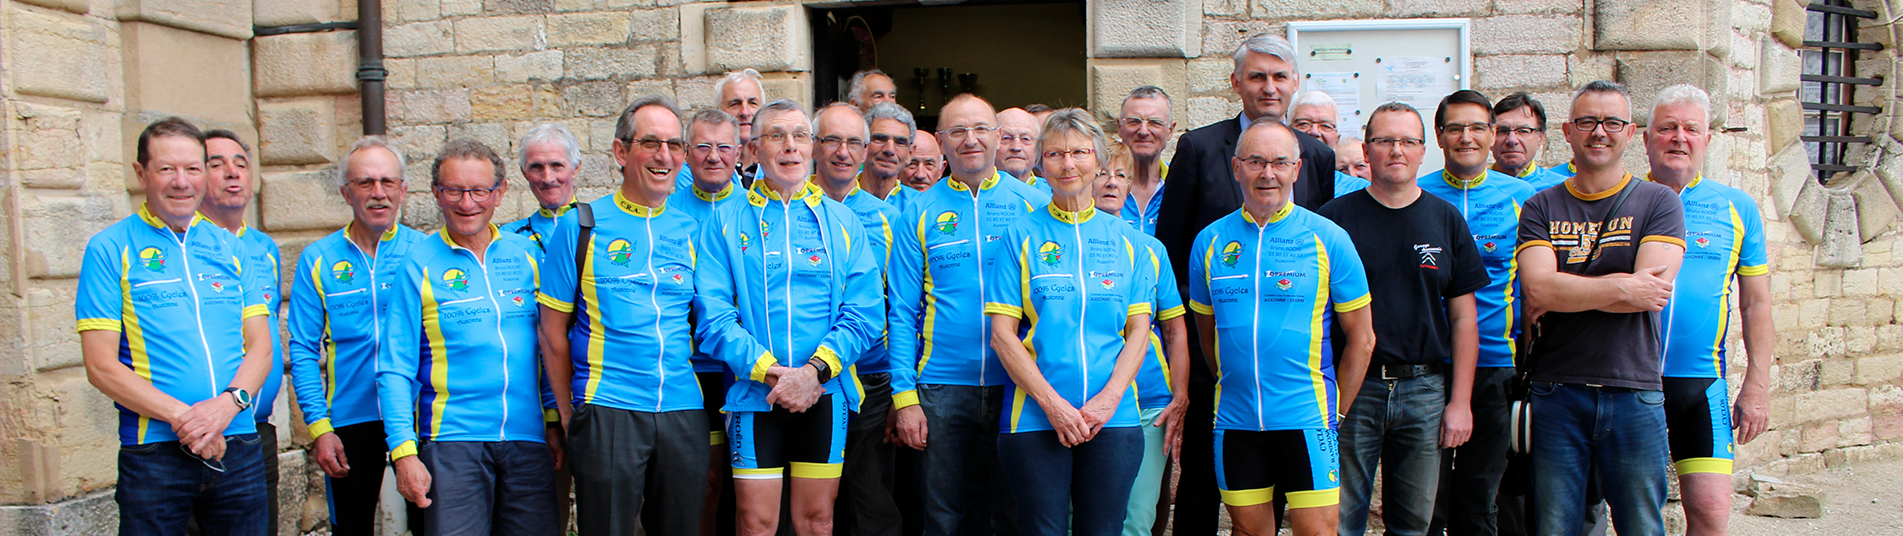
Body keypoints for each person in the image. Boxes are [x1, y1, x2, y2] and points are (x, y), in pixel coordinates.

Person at [1153, 33, 1336, 536]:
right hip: (1213, 358)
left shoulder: (1315, 155)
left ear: (1295, 83)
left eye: (1279, 77)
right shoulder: (1198, 147)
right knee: (1200, 483)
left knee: (1277, 494)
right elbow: (1170, 252)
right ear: (1236, 82)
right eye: (1257, 76)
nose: (1268, 87)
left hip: (1292, 370)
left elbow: (1322, 252)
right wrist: (1191, 353)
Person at [694, 99, 884, 536]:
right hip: (754, 393)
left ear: (812, 147)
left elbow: (866, 311)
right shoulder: (724, 222)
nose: (790, 146)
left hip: (825, 392)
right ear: (754, 150)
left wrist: (813, 373)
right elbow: (714, 317)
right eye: (776, 136)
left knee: (817, 522)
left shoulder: (843, 220)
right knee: (755, 523)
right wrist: (773, 374)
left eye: (800, 136)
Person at [78, 117, 276, 535]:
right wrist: (189, 420)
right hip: (155, 453)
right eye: (167, 169)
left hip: (238, 443)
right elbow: (100, 366)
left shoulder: (232, 247)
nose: (181, 182)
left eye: (192, 169)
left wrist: (227, 407)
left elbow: (261, 347)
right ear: (141, 173)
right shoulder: (110, 248)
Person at [1185, 120, 1375, 536]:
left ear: (1296, 169)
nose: (1267, 173)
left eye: (1279, 162)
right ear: (1237, 168)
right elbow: (1207, 333)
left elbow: (1363, 339)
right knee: (1249, 533)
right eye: (1255, 161)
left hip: (1307, 419)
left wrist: (1337, 412)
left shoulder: (1329, 238)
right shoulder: (1209, 241)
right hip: (1236, 420)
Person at [1514, 81, 1686, 536]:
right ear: (1568, 131)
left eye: (1612, 122)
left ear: (1631, 133)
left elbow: (1653, 292)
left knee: (1641, 526)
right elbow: (1538, 291)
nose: (1599, 132)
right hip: (1557, 391)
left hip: (1634, 390)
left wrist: (1568, 291)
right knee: (1554, 527)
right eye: (1587, 121)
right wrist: (1623, 286)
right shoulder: (1540, 205)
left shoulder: (1660, 201)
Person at [535, 96, 711, 536]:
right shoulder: (580, 226)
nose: (664, 155)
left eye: (674, 144)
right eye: (650, 143)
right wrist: (569, 413)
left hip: (682, 408)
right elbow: (552, 333)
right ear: (620, 151)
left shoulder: (691, 230)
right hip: (607, 407)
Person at [980, 108, 1153, 536]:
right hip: (1034, 415)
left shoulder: (1131, 241)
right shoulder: (1020, 235)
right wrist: (1053, 405)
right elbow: (1002, 336)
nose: (1068, 163)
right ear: (1041, 164)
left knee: (1104, 529)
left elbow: (1139, 332)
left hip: (1113, 416)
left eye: (1079, 152)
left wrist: (1108, 400)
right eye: (1055, 154)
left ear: (1098, 160)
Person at [1319, 102, 1488, 536]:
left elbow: (1464, 320)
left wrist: (1460, 402)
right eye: (1385, 141)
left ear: (1423, 150)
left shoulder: (1446, 219)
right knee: (1340, 520)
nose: (1397, 150)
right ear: (1366, 149)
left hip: (1424, 391)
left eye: (1408, 141)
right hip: (1352, 388)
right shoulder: (1333, 221)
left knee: (1414, 525)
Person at [380, 138, 563, 536]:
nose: (467, 203)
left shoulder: (527, 256)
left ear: (499, 192)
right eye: (454, 191)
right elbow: (394, 367)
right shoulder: (418, 265)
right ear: (436, 193)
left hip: (528, 440)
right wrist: (403, 452)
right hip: (452, 443)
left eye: (479, 190)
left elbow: (549, 349)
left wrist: (553, 421)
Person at [887, 93, 1050, 536]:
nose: (970, 139)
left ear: (998, 136)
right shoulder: (918, 212)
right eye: (957, 131)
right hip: (941, 388)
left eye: (980, 129)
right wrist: (905, 398)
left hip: (1019, 385)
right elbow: (901, 312)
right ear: (940, 142)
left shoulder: (1034, 204)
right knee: (944, 519)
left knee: (1014, 516)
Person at [1643, 84, 1772, 536]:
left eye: (1691, 129)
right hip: (1627, 382)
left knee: (1712, 512)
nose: (1679, 138)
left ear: (1707, 139)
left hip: (1701, 383)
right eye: (1667, 128)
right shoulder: (1626, 200)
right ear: (1646, 138)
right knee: (1627, 512)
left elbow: (1756, 302)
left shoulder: (1736, 207)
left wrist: (1757, 384)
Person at [288, 136, 430, 535]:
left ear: (403, 189)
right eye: (365, 182)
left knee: (431, 523)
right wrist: (319, 426)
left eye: (388, 182)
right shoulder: (319, 258)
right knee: (350, 528)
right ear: (345, 192)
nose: (378, 193)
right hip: (350, 417)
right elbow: (302, 349)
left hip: (419, 413)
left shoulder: (425, 252)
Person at [1416, 91, 1539, 536]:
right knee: (1426, 501)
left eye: (1476, 128)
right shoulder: (1417, 193)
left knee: (1480, 497)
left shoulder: (1524, 198)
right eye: (1454, 128)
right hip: (1427, 367)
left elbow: (1535, 291)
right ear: (1439, 137)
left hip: (1495, 365)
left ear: (1491, 135)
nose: (1465, 137)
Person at [809, 102, 906, 536]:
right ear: (814, 147)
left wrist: (902, 392)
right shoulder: (786, 209)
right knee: (807, 501)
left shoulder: (889, 218)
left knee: (870, 499)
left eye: (853, 142)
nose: (842, 152)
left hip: (872, 378)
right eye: (832, 140)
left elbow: (904, 306)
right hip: (805, 376)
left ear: (865, 151)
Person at [196, 129, 286, 533]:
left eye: (241, 164)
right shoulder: (184, 245)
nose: (232, 173)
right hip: (201, 428)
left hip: (256, 429)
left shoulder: (264, 248)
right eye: (216, 164)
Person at [1099, 142, 1192, 536]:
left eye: (1121, 175)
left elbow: (1174, 328)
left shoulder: (1151, 249)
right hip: (1083, 397)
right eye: (1102, 173)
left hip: (1149, 400)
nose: (1111, 182)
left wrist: (1180, 395)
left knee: (1137, 520)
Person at [667, 107, 748, 536]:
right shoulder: (666, 208)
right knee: (706, 479)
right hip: (691, 369)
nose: (713, 156)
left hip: (747, 366)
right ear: (685, 152)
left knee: (750, 482)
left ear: (739, 152)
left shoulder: (756, 206)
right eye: (702, 146)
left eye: (723, 147)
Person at [506, 123, 583, 251]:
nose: (548, 178)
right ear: (524, 173)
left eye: (557, 166)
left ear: (576, 168)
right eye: (536, 167)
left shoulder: (603, 227)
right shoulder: (510, 237)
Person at [1117, 86, 1176, 236]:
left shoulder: (1181, 184)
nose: (1143, 131)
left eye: (1155, 122)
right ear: (1120, 127)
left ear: (1170, 130)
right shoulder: (1099, 186)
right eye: (1134, 121)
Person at [1491, 92, 1567, 192]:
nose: (1512, 140)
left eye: (1523, 131)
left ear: (1540, 137)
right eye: (1502, 131)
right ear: (1490, 137)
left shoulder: (1561, 189)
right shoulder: (1474, 188)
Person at [863, 103, 919, 209]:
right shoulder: (838, 197)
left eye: (900, 142)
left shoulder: (920, 206)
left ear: (910, 153)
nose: (889, 150)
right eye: (880, 139)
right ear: (863, 145)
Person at [719, 69, 768, 180]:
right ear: (719, 112)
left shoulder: (778, 167)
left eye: (753, 103)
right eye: (735, 104)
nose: (745, 112)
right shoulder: (699, 171)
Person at [996, 107, 1046, 192]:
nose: (1016, 147)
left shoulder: (1056, 193)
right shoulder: (976, 192)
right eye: (1006, 138)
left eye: (1025, 139)